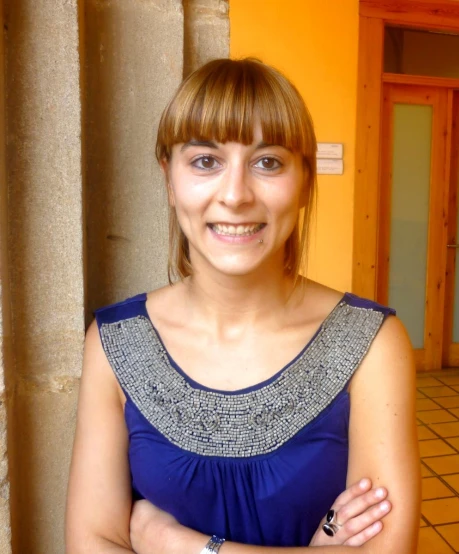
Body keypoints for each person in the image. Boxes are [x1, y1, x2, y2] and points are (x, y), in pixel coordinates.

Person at [65, 58, 420, 553]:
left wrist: (173, 542)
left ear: (304, 181)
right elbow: (91, 543)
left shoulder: (370, 343)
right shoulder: (116, 342)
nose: (235, 195)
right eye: (205, 161)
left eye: (268, 161)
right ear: (169, 178)